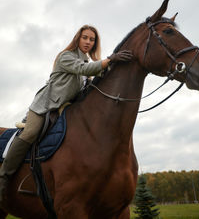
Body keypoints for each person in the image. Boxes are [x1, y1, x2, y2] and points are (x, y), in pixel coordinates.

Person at [0, 24, 133, 203]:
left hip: (64, 108)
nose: (88, 42)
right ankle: (3, 177)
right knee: (30, 133)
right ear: (78, 38)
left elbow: (93, 80)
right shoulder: (66, 57)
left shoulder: (88, 63)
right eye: (85, 37)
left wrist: (118, 66)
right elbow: (85, 69)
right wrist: (110, 59)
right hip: (44, 106)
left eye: (91, 39)